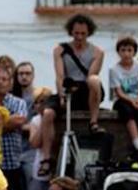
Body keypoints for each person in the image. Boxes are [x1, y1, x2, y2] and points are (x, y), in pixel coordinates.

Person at [39, 14, 105, 178]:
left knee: (94, 80)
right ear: (71, 32)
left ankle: (94, 121)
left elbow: (92, 75)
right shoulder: (60, 50)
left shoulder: (97, 52)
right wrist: (62, 94)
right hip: (67, 87)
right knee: (47, 113)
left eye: (83, 34)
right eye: (76, 33)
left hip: (87, 89)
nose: (79, 37)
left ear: (88, 33)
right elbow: (60, 76)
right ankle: (46, 159)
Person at [109, 36, 138, 161]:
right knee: (127, 112)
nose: (126, 54)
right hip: (123, 99)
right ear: (118, 52)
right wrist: (131, 101)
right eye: (123, 50)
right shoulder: (114, 69)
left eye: (129, 50)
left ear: (134, 52)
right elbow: (118, 92)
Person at [0, 67, 29, 190]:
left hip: (13, 165)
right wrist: (7, 121)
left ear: (10, 83)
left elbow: (19, 120)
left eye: (4, 79)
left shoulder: (18, 102)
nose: (0, 82)